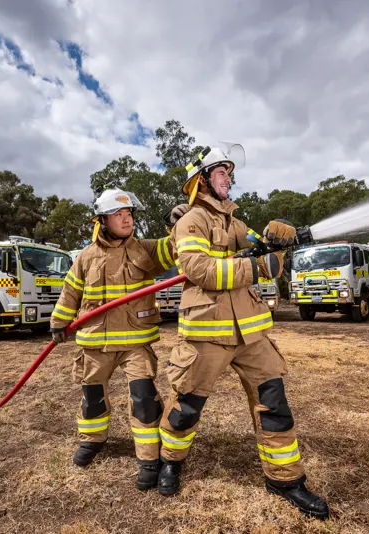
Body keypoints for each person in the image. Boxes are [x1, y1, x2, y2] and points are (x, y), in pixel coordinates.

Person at [156, 145, 330, 520]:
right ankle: (169, 460)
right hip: (206, 334)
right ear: (202, 179)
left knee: (275, 405)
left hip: (251, 334)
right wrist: (254, 265)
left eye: (229, 172)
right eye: (221, 171)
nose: (228, 178)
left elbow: (268, 265)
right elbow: (201, 270)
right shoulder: (190, 223)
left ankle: (286, 479)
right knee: (187, 406)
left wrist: (279, 246)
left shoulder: (236, 224)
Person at [49, 188, 180, 490]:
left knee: (144, 398)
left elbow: (176, 248)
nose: (126, 219)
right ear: (102, 220)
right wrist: (59, 322)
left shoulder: (145, 250)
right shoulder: (86, 257)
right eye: (119, 214)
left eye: (130, 214)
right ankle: (92, 440)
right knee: (92, 398)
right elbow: (71, 292)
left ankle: (149, 458)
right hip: (95, 343)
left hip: (135, 342)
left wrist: (174, 224)